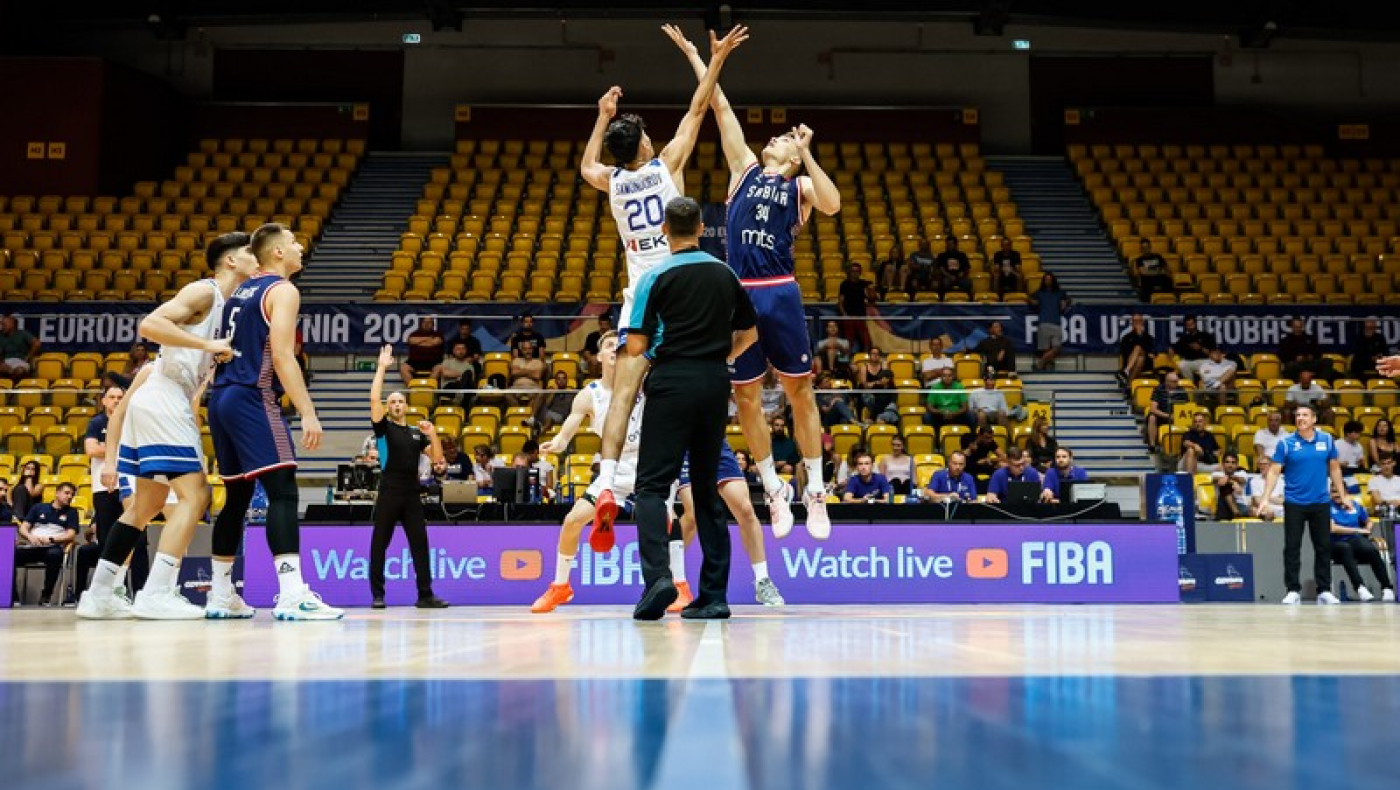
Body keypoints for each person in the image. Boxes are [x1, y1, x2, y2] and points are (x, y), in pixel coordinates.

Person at [667, 24, 840, 541]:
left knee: (798, 391)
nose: (776, 137)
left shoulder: (801, 184)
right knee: (744, 398)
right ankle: (772, 487)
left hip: (781, 290)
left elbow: (833, 204)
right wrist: (703, 57)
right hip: (738, 294)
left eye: (784, 137)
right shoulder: (743, 169)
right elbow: (718, 106)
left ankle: (814, 489)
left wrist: (806, 151)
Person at [590, 196, 759, 621]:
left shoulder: (653, 277)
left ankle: (659, 580)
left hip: (670, 381)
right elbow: (751, 332)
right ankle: (714, 596)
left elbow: (637, 345)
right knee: (705, 489)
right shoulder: (725, 274)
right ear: (702, 228)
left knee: (651, 486)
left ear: (664, 230)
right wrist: (722, 356)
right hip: (714, 383)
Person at [78, 232, 257, 620]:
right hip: (164, 395)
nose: (255, 257)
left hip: (163, 398)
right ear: (229, 261)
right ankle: (157, 591)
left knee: (147, 505)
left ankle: (99, 594)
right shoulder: (205, 291)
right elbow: (151, 324)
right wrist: (209, 347)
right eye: (248, 252)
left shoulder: (226, 304)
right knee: (196, 496)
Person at [582, 25, 746, 351]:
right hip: (676, 280)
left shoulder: (612, 181)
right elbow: (699, 107)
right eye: (644, 136)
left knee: (632, 378)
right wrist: (713, 61)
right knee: (680, 360)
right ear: (643, 146)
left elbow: (587, 166)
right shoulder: (665, 165)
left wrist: (602, 117)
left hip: (641, 287)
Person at [207, 222, 340, 621]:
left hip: (221, 398)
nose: (301, 247)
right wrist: (308, 410)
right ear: (278, 252)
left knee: (236, 499)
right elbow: (282, 356)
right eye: (294, 243)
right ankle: (292, 593)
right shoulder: (282, 290)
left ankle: (220, 593)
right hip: (252, 395)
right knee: (283, 491)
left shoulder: (238, 292)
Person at [366, 345, 448, 609]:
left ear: (407, 406)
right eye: (392, 402)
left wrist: (433, 433)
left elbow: (437, 460)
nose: (397, 404)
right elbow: (373, 399)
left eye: (401, 401)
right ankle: (378, 595)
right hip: (389, 491)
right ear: (388, 408)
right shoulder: (383, 429)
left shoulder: (416, 433)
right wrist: (381, 367)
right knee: (380, 544)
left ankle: (425, 595)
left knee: (420, 545)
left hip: (412, 494)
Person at [1253, 404, 1353, 605]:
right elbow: (1273, 471)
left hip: (1321, 502)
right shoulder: (1286, 443)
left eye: (1305, 415)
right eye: (1298, 415)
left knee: (1323, 547)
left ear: (1314, 419)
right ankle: (1292, 590)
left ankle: (1324, 589)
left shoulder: (1326, 440)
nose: (1301, 418)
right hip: (1294, 503)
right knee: (1292, 547)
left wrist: (1343, 496)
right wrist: (1265, 498)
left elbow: (1334, 469)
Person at [675, 442, 786, 606]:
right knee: (692, 513)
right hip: (684, 444)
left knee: (746, 509)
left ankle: (762, 580)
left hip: (715, 442)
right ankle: (675, 581)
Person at [76, 384, 150, 604]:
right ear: (104, 401)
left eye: (121, 397)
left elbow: (142, 449)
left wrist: (107, 448)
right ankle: (107, 594)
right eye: (112, 397)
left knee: (139, 540)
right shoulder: (97, 423)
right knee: (108, 541)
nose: (117, 400)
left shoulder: (134, 422)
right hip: (104, 488)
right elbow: (91, 450)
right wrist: (122, 448)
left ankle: (140, 594)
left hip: (134, 486)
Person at [13, 481, 80, 604]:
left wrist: (51, 539)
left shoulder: (71, 512)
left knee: (55, 555)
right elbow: (23, 528)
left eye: (72, 494)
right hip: (33, 546)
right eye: (67, 493)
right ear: (57, 493)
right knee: (8, 556)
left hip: (52, 548)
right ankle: (13, 596)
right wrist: (30, 537)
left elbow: (71, 534)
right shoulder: (38, 507)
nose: (70, 496)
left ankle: (46, 596)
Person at [1328, 489, 1395, 602]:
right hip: (1335, 543)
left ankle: (1387, 587)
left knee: (1371, 549)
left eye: (1339, 491)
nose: (1337, 494)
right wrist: (1358, 530)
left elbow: (1369, 521)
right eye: (1333, 492)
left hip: (1355, 540)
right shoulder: (1327, 507)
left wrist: (1368, 528)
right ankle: (1360, 587)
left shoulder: (1355, 505)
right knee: (1345, 548)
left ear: (1346, 493)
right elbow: (1333, 528)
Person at [1032, 273, 1071, 371]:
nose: (1048, 281)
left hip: (1056, 323)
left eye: (1049, 279)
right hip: (1043, 323)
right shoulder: (1039, 293)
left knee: (1057, 347)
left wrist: (1065, 303)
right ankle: (1047, 366)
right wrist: (1034, 303)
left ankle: (1040, 364)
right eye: (1046, 279)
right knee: (1045, 349)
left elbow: (1067, 300)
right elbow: (1031, 299)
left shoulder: (1060, 292)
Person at [837, 263, 877, 351]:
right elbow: (840, 302)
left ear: (860, 272)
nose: (855, 273)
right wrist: (845, 316)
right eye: (853, 271)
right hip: (849, 318)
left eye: (857, 271)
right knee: (849, 342)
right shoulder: (844, 284)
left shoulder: (864, 284)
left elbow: (872, 296)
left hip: (860, 318)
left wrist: (871, 290)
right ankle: (847, 360)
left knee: (867, 341)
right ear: (849, 272)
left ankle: (866, 358)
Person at [1145, 372, 1187, 452]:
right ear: (1167, 382)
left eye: (1177, 381)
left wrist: (1176, 416)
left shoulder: (1181, 390)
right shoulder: (1158, 389)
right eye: (1173, 381)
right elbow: (1153, 409)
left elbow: (1186, 408)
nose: (1176, 383)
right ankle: (1152, 446)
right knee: (1152, 417)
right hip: (1161, 416)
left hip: (1177, 417)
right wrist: (1168, 416)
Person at [432, 340, 479, 409]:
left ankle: (461, 397)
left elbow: (471, 381)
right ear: (453, 351)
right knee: (467, 375)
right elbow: (446, 374)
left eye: (463, 349)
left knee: (468, 375)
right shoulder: (447, 362)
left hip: (464, 390)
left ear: (466, 351)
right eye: (458, 349)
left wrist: (457, 375)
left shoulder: (469, 366)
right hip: (449, 389)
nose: (461, 351)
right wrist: (463, 376)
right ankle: (463, 398)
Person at [399, 316, 444, 386]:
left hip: (433, 362)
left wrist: (419, 342)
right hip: (414, 362)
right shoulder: (414, 334)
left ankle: (428, 389)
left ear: (433, 324)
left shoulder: (438, 334)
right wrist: (428, 339)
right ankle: (414, 389)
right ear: (421, 323)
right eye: (425, 322)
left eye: (429, 322)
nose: (426, 324)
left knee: (439, 368)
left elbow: (435, 342)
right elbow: (411, 341)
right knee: (403, 367)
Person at [922, 366, 969, 431]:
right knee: (927, 416)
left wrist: (953, 414)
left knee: (971, 416)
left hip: (956, 414)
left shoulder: (959, 386)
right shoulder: (935, 387)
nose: (947, 378)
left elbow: (965, 407)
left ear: (953, 377)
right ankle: (935, 439)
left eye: (949, 376)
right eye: (944, 376)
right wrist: (941, 412)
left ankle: (971, 438)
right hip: (940, 415)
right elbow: (929, 407)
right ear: (940, 377)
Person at [1173, 315, 1215, 383]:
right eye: (1188, 325)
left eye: (1191, 324)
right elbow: (1174, 347)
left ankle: (1207, 387)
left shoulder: (1205, 336)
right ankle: (1191, 386)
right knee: (1182, 364)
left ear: (1195, 324)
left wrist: (1200, 348)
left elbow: (1212, 353)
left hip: (1203, 361)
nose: (1190, 327)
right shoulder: (1184, 338)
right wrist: (1169, 348)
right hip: (1189, 361)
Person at [1117, 314, 1155, 388]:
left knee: (1138, 350)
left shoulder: (1148, 337)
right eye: (1135, 321)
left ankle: (1126, 373)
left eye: (1139, 321)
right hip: (1130, 361)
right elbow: (1126, 352)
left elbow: (1152, 351)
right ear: (1132, 323)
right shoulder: (1126, 338)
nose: (1137, 323)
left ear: (1142, 322)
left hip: (1146, 364)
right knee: (1139, 358)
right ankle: (1129, 386)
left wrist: (1139, 336)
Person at [1210, 452, 1251, 519]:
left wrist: (1229, 478)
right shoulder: (1217, 473)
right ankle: (1235, 512)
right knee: (1225, 486)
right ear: (1223, 464)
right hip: (1224, 506)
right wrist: (1233, 482)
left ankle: (1236, 512)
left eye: (1233, 462)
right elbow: (1215, 479)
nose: (1230, 465)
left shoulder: (1242, 473)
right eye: (1227, 462)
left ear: (1237, 465)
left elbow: (1242, 480)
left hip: (1240, 505)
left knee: (1225, 484)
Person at [0, 314, 40, 381]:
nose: (2, 327)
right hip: (4, 362)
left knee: (20, 371)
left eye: (4, 325)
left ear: (12, 324)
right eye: (1, 325)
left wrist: (28, 357)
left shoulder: (22, 333)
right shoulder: (1, 335)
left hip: (20, 362)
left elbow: (37, 344)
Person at [1247, 456, 1286, 521]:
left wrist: (1265, 497)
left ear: (1271, 466)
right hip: (1264, 508)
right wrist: (1274, 499)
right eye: (1260, 464)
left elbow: (1283, 501)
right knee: (1261, 512)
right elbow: (1257, 500)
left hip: (1280, 509)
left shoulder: (1281, 481)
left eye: (1265, 464)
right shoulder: (1254, 481)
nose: (1262, 467)